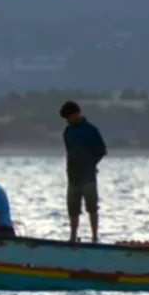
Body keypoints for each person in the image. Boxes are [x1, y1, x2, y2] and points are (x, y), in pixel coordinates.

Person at [60, 100, 107, 243]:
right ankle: (73, 236)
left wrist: (91, 163)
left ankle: (94, 237)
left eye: (69, 117)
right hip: (73, 176)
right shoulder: (67, 132)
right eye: (66, 119)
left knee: (92, 207)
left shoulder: (91, 130)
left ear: (76, 114)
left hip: (88, 177)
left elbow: (101, 150)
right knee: (73, 208)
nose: (68, 121)